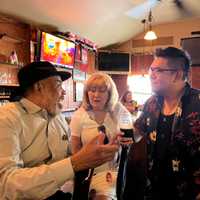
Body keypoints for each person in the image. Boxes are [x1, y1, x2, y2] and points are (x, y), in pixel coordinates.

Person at [0, 61, 119, 200]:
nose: (64, 91)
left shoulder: (58, 118)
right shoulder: (7, 118)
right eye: (58, 84)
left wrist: (96, 158)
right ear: (39, 87)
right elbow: (6, 183)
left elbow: (71, 157)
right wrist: (75, 163)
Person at [123, 47, 200, 199]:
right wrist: (124, 136)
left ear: (177, 74)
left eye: (158, 70)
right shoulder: (152, 103)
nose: (151, 75)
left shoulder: (197, 104)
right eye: (151, 69)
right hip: (154, 190)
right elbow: (137, 132)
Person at [70, 72, 133, 200]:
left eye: (102, 90)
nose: (96, 95)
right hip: (90, 172)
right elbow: (75, 151)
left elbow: (131, 136)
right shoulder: (79, 115)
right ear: (87, 93)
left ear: (110, 94)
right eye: (92, 90)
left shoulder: (118, 110)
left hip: (117, 170)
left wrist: (126, 140)